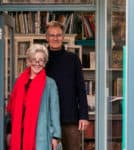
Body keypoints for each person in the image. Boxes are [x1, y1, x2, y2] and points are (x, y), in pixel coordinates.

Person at [6, 44, 61, 150]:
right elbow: (12, 109)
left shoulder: (50, 83)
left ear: (45, 63)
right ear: (28, 62)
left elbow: (55, 111)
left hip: (40, 134)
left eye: (41, 60)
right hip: (20, 133)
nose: (37, 63)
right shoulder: (19, 81)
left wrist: (56, 136)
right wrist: (9, 131)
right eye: (34, 59)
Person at [45, 21, 89, 150]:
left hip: (70, 118)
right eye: (52, 35)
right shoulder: (41, 59)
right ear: (47, 37)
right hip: (47, 119)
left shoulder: (73, 59)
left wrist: (84, 116)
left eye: (58, 35)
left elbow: (81, 88)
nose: (55, 38)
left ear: (63, 37)